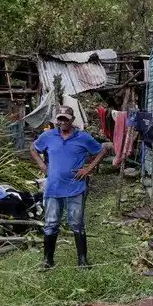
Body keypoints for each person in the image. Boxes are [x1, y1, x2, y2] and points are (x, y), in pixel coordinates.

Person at [30, 105, 107, 269]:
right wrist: (42, 165)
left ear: (72, 120)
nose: (63, 122)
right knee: (51, 224)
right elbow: (33, 148)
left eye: (66, 119)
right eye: (60, 119)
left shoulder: (83, 137)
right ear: (57, 120)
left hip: (75, 188)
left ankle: (82, 261)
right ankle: (48, 261)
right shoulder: (48, 136)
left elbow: (102, 150)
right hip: (53, 188)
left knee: (77, 224)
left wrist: (88, 169)